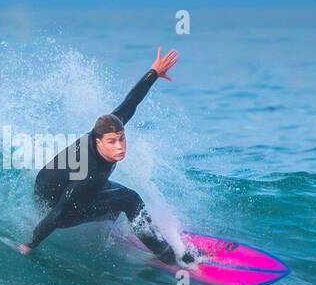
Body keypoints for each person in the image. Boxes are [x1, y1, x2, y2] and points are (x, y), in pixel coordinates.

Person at [18, 47, 193, 265]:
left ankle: (119, 230)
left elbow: (131, 102)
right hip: (53, 203)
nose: (120, 146)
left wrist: (153, 73)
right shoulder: (88, 174)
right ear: (98, 141)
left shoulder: (110, 126)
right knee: (130, 200)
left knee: (121, 196)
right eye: (112, 142)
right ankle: (168, 258)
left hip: (64, 184)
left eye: (122, 139)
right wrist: (30, 245)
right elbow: (57, 215)